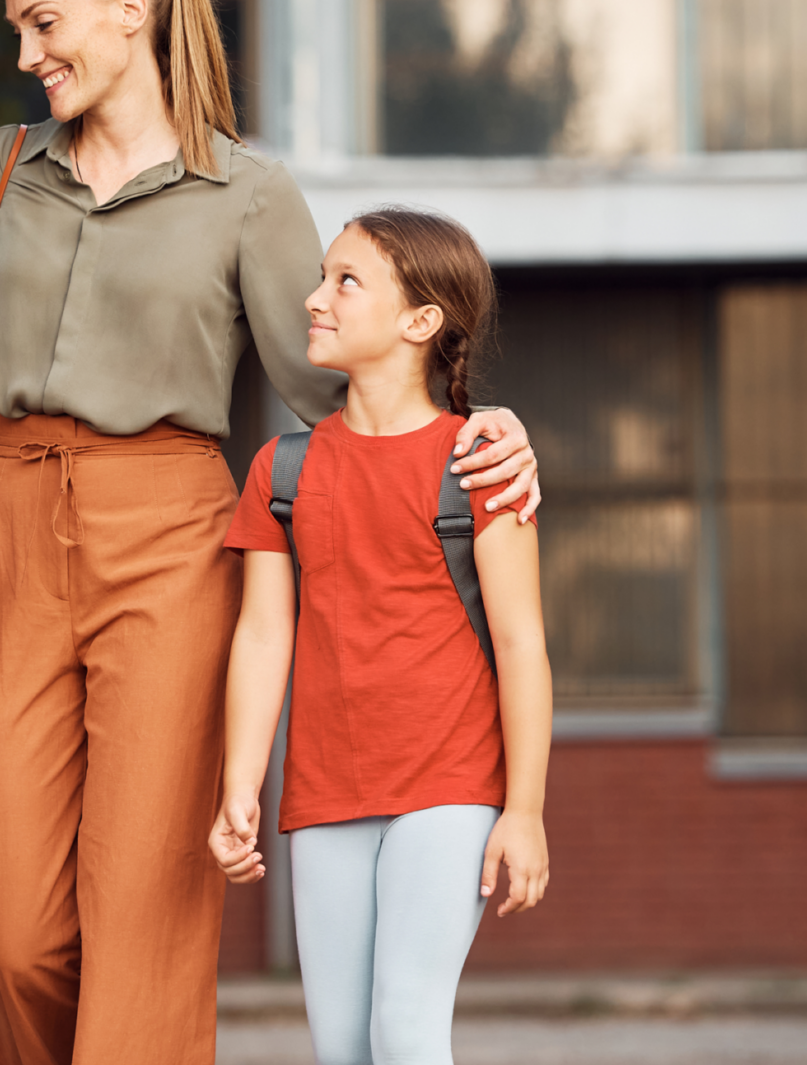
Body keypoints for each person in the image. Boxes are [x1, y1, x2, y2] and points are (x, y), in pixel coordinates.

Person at [0, 0, 541, 1065]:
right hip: (1, 531)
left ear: (130, 11)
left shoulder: (248, 192)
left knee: (141, 911)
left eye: (43, 24)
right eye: (17, 31)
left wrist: (480, 428)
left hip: (170, 541)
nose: (25, 55)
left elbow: (341, 388)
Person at [208, 208, 552, 1065]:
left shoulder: (480, 463)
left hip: (451, 785)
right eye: (322, 276)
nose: (314, 297)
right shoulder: (281, 471)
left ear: (421, 321)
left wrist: (527, 810)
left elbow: (521, 646)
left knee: (405, 1027)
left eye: (344, 281)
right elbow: (260, 638)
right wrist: (239, 786)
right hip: (325, 792)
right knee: (344, 1049)